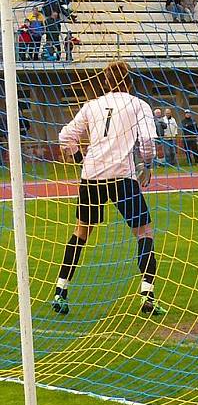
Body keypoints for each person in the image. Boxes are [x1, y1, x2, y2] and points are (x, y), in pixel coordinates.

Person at [53, 61, 165, 316]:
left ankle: (61, 290)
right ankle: (147, 294)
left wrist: (80, 158)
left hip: (91, 176)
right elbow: (147, 140)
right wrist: (147, 165)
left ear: (105, 82)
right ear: (128, 79)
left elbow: (65, 137)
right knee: (144, 232)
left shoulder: (92, 105)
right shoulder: (138, 104)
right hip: (121, 177)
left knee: (81, 232)